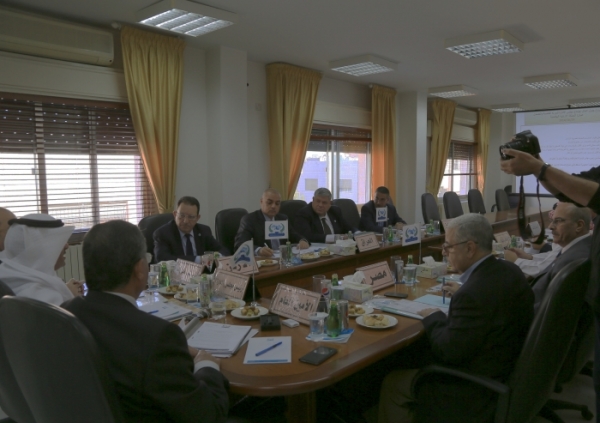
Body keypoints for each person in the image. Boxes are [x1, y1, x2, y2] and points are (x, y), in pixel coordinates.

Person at [62, 220, 229, 423]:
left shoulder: (66, 312)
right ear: (140, 268)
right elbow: (208, 415)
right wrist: (206, 364)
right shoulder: (157, 337)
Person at [378, 214, 534, 423]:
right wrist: (464, 293)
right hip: (507, 369)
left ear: (469, 248)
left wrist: (433, 315)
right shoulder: (511, 270)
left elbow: (448, 352)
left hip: (472, 389)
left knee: (392, 382)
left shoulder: (472, 295)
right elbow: (489, 302)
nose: (444, 253)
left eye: (448, 247)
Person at [500, 147, 600, 421]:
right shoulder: (581, 251)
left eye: (558, 221)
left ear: (581, 226)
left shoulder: (576, 259)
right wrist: (537, 166)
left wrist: (538, 167)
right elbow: (566, 191)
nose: (552, 226)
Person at [0, 214, 83, 305]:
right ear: (38, 249)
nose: (66, 246)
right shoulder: (41, 296)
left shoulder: (10, 274)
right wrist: (72, 299)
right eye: (58, 241)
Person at [527, 203, 592, 312]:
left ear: (579, 225)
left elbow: (549, 309)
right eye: (552, 220)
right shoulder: (583, 246)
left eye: (558, 221)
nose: (550, 226)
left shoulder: (572, 260)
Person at [234, 188, 309, 256]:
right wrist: (258, 250)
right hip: (263, 260)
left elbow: (294, 235)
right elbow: (240, 244)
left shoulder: (282, 218)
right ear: (261, 202)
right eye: (269, 202)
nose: (273, 206)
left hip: (283, 258)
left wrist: (302, 240)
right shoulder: (249, 220)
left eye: (277, 203)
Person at [154, 196, 229, 262]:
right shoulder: (163, 233)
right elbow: (162, 258)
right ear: (175, 214)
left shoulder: (204, 231)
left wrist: (217, 256)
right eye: (182, 215)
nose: (186, 221)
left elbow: (224, 251)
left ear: (197, 218)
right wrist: (198, 259)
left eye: (191, 217)